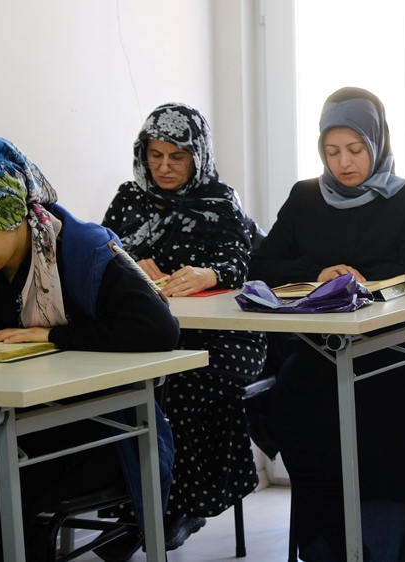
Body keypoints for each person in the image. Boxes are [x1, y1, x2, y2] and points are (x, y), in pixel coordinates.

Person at [0, 136, 180, 560]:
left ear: (13, 213)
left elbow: (158, 328)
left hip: (95, 428)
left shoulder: (83, 251)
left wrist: (53, 335)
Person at [250, 86, 405, 561]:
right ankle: (327, 540)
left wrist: (358, 281)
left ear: (377, 143)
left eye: (355, 149)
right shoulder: (305, 197)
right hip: (319, 349)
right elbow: (262, 264)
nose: (344, 163)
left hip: (393, 349)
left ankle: (392, 542)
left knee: (388, 405)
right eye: (331, 151)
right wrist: (318, 273)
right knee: (292, 393)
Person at [98, 102, 266, 556]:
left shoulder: (219, 201)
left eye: (177, 157)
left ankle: (178, 507)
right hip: (155, 333)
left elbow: (244, 261)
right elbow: (100, 254)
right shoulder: (128, 200)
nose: (164, 167)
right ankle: (137, 508)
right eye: (155, 156)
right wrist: (132, 263)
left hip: (226, 336)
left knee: (181, 386)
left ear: (199, 156)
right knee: (122, 389)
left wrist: (210, 274)